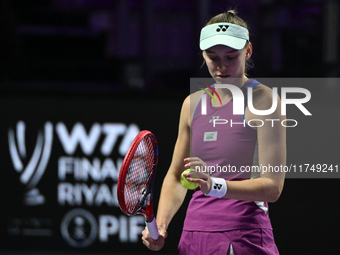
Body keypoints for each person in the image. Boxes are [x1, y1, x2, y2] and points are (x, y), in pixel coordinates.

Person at [142, 10, 286, 255]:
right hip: (193, 236)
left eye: (231, 57)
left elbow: (272, 188)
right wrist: (162, 224)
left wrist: (216, 185)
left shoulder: (265, 101)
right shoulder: (192, 103)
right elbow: (177, 176)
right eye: (213, 57)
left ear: (248, 51)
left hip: (243, 236)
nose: (221, 67)